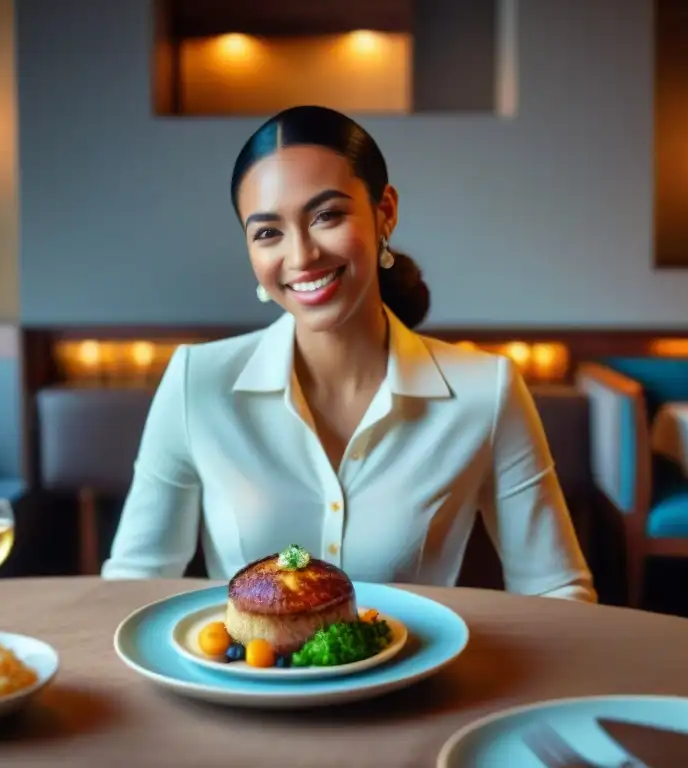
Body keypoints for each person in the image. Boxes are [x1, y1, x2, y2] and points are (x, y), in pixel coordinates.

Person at [101, 105, 596, 602]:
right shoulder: (195, 382)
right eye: (268, 232)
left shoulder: (486, 391)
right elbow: (132, 587)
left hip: (415, 678)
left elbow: (558, 590)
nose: (300, 257)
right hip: (241, 677)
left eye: (327, 215)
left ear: (385, 213)